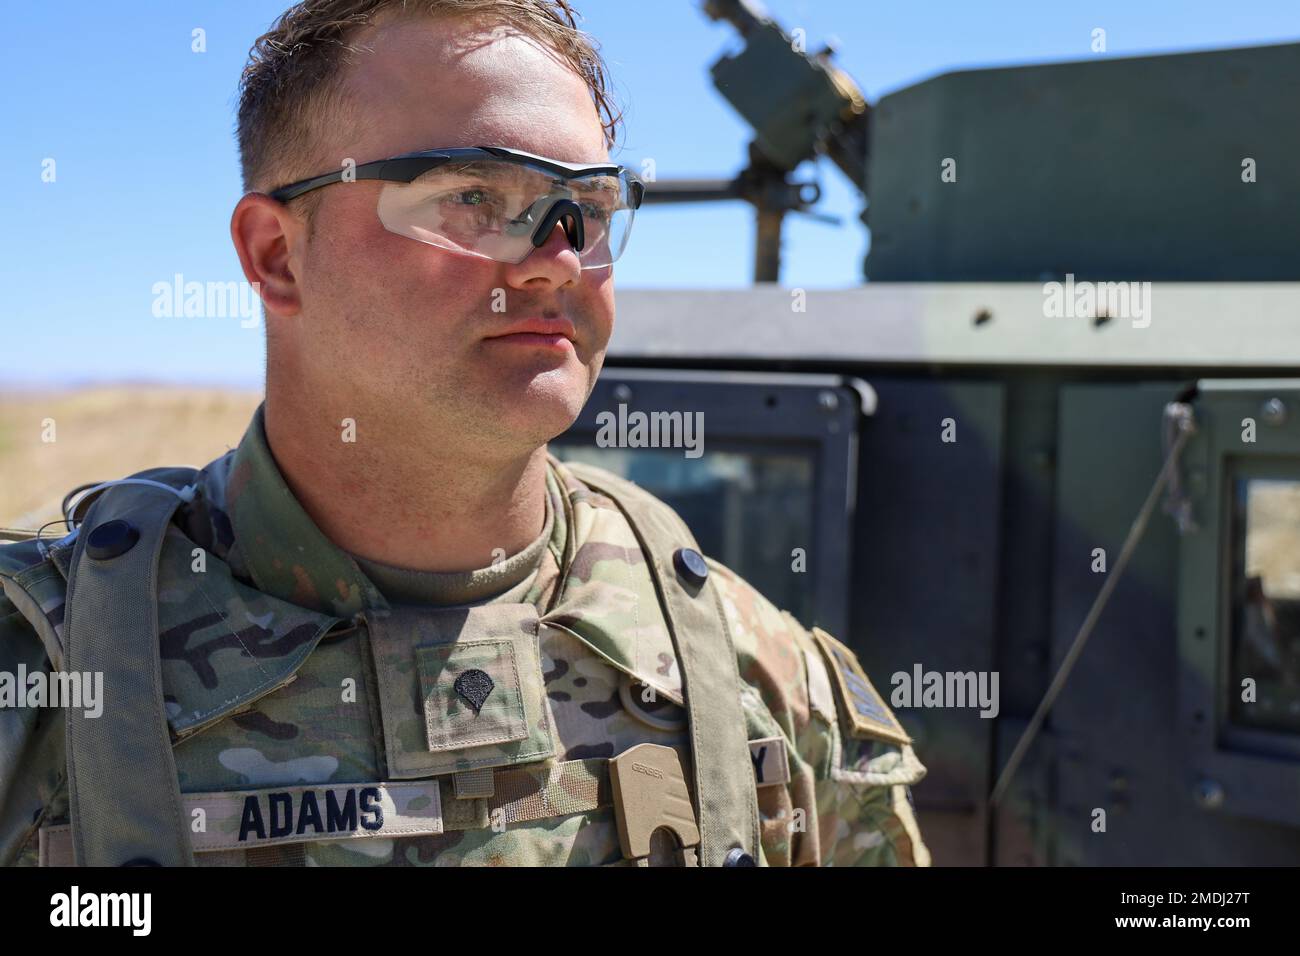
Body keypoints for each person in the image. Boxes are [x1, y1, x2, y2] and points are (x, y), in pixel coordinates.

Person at [0, 0, 927, 867]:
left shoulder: (746, 669)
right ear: (278, 256)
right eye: (472, 197)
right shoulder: (52, 678)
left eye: (589, 207)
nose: (557, 260)